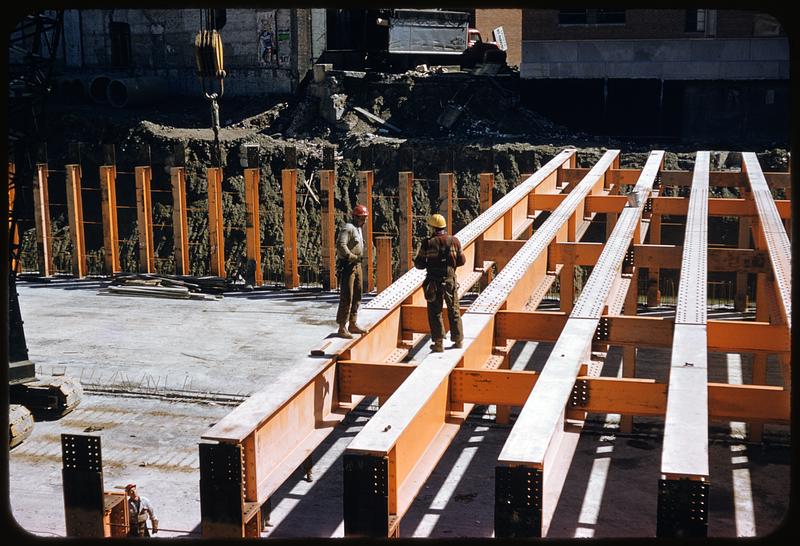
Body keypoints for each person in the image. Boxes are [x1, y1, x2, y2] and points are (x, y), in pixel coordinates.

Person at [413, 213, 466, 352]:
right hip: (449, 281)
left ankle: (438, 343)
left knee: (435, 312)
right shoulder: (455, 241)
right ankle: (458, 340)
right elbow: (462, 261)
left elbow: (419, 264)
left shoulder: (428, 243)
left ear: (433, 227)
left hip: (433, 282)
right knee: (453, 309)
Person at [335, 204, 369, 338]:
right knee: (347, 296)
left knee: (357, 295)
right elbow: (340, 244)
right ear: (355, 217)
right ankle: (342, 327)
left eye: (365, 218)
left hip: (357, 265)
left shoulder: (358, 229)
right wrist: (351, 256)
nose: (364, 221)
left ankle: (353, 323)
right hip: (348, 266)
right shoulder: (348, 228)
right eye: (362, 218)